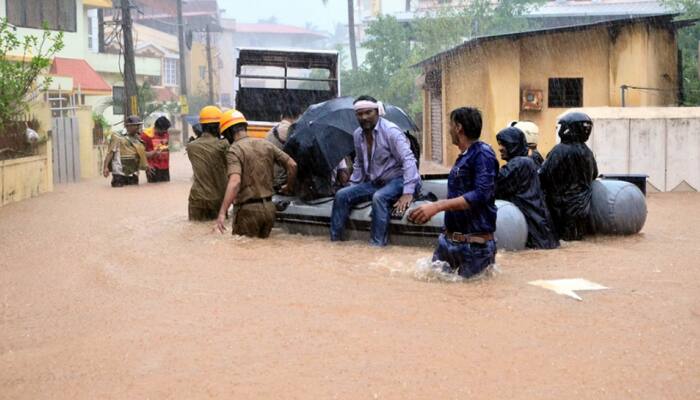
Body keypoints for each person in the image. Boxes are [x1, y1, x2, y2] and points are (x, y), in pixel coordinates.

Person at [409, 107, 498, 278]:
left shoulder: (482, 154)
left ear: (458, 127)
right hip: (449, 242)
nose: (448, 130)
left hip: (474, 248)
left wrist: (436, 206)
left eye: (450, 125)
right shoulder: (465, 156)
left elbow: (480, 195)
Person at [329, 96, 420, 247]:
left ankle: (377, 246)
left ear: (377, 112)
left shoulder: (391, 131)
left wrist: (408, 192)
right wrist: (353, 184)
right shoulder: (358, 134)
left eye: (368, 112)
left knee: (379, 197)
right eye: (360, 114)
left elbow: (409, 160)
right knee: (342, 195)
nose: (364, 117)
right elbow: (359, 162)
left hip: (400, 180)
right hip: (377, 182)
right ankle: (335, 242)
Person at [215, 109, 298, 238]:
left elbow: (235, 182)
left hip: (248, 212)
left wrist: (222, 212)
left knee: (244, 254)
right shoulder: (265, 144)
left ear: (229, 133)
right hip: (270, 210)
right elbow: (292, 165)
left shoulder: (234, 150)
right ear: (244, 127)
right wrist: (289, 187)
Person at [495, 126, 559, 249]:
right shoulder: (526, 162)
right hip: (540, 227)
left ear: (513, 145)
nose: (500, 149)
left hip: (532, 227)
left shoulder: (518, 164)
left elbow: (493, 186)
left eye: (503, 144)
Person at [539, 112, 599, 241]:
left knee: (562, 242)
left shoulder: (560, 150)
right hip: (583, 208)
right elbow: (594, 174)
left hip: (561, 209)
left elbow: (543, 175)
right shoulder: (587, 152)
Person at [186, 106, 228, 221]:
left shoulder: (191, 146)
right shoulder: (223, 145)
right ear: (218, 127)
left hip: (197, 199)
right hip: (217, 199)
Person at [102, 115, 149, 187]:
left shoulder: (138, 138)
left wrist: (146, 165)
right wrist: (105, 167)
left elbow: (142, 154)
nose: (138, 127)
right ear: (128, 126)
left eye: (139, 125)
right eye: (136, 125)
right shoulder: (117, 136)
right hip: (119, 172)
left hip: (133, 172)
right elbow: (110, 152)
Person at [266, 104, 301, 191]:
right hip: (283, 183)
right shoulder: (294, 133)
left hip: (268, 181)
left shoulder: (269, 132)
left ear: (281, 116)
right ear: (298, 117)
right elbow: (294, 165)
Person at [140, 116, 171, 183]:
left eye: (166, 130)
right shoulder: (146, 135)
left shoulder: (166, 134)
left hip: (165, 167)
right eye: (164, 130)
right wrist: (147, 166)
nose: (165, 132)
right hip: (153, 167)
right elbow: (141, 153)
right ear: (157, 127)